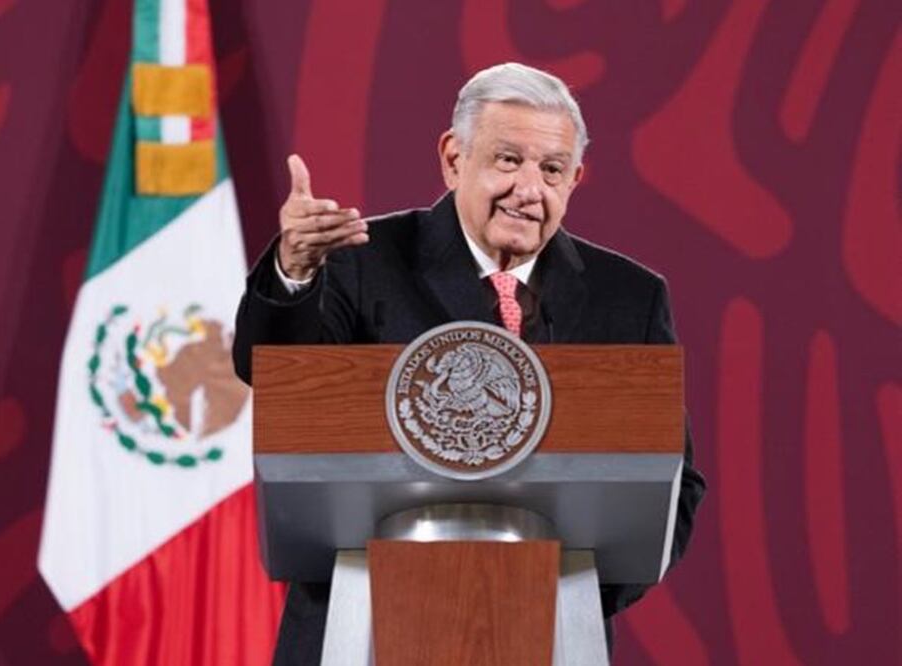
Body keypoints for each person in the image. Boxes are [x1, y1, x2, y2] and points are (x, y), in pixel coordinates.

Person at [233, 62, 706, 664]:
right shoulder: (360, 261)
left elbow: (674, 484)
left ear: (576, 179)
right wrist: (295, 272)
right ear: (454, 159)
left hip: (550, 634)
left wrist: (566, 590)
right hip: (360, 630)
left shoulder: (630, 297)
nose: (530, 190)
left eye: (552, 170)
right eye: (508, 161)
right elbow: (272, 376)